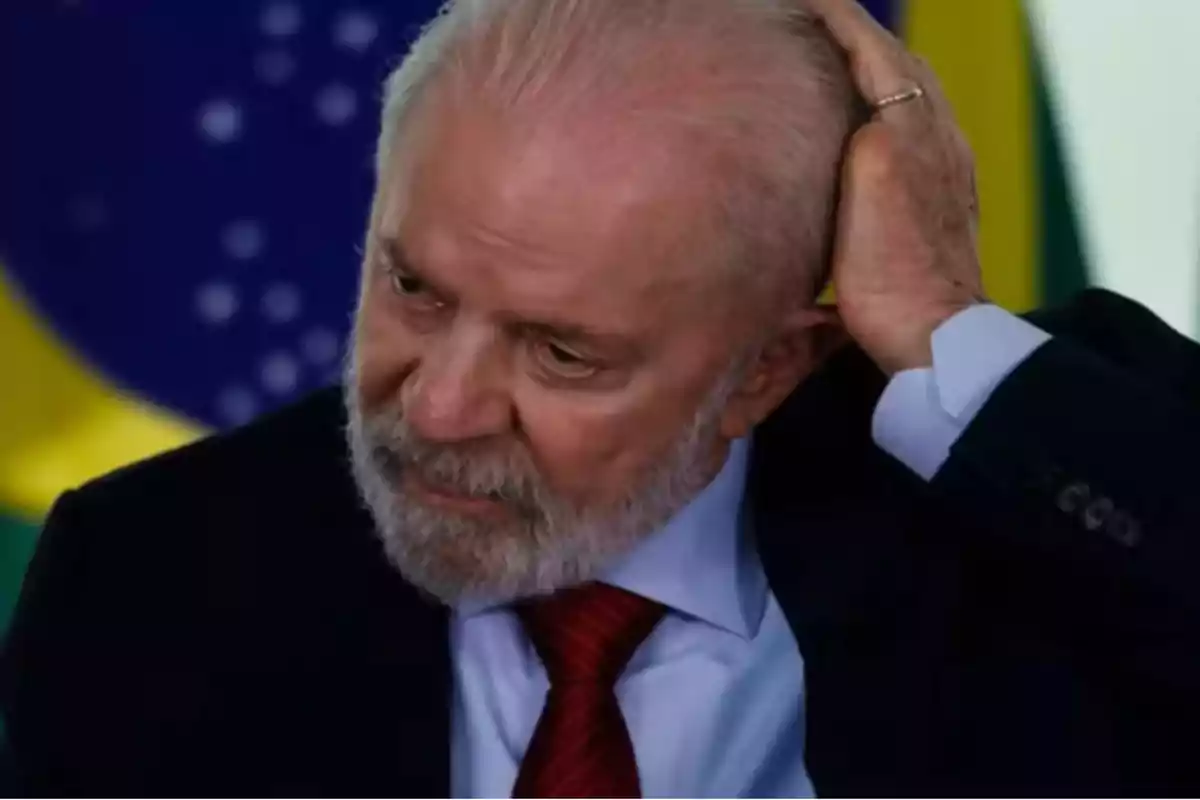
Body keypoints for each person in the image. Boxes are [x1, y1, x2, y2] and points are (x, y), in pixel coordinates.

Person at [4, 0, 1200, 794]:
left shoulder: (1040, 513)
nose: (439, 407)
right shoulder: (152, 568)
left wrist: (943, 332)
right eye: (413, 286)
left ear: (771, 367)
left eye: (562, 353)